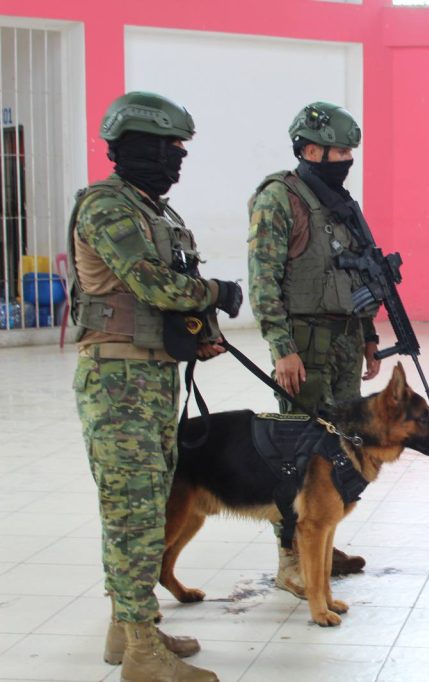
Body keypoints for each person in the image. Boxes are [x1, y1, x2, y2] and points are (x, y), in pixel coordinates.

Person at [70, 91, 243, 682]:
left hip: (150, 375)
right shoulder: (107, 207)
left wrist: (204, 332)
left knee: (144, 504)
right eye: (169, 147)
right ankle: (142, 653)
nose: (176, 158)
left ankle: (129, 627)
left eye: (181, 149)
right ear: (136, 146)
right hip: (117, 379)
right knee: (134, 512)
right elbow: (152, 285)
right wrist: (217, 293)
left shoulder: (156, 212)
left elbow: (176, 288)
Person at [247, 102, 378, 597]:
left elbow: (359, 273)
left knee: (340, 452)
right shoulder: (280, 198)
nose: (345, 158)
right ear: (308, 148)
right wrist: (282, 348)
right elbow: (264, 281)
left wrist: (368, 337)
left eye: (350, 151)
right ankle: (290, 559)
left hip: (344, 340)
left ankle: (320, 542)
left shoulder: (339, 202)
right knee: (299, 457)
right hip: (304, 346)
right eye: (338, 150)